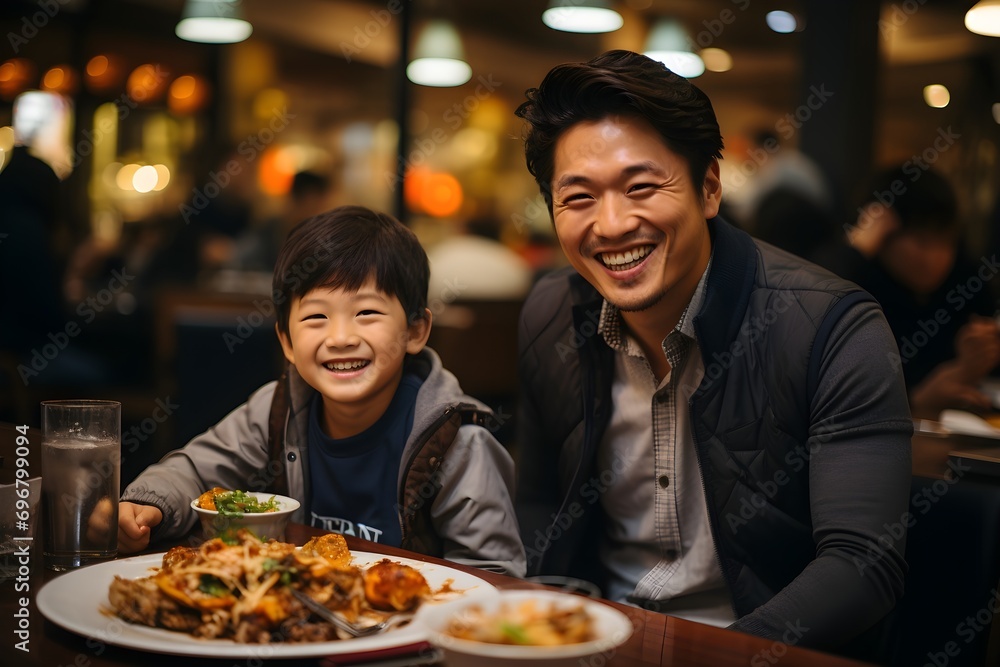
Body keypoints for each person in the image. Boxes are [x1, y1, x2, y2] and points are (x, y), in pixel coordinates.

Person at [513, 50, 911, 652]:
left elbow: (863, 563)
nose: (613, 224)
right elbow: (540, 500)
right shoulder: (550, 317)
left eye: (641, 187)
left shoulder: (831, 327)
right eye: (579, 198)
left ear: (708, 187)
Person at [118, 206, 526, 576]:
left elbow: (493, 575)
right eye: (316, 316)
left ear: (415, 331)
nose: (341, 337)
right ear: (288, 342)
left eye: (367, 312)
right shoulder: (277, 409)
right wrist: (149, 503)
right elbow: (195, 469)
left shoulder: (457, 442)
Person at [812, 165, 1000, 416]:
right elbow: (808, 310)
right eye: (922, 241)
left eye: (946, 241)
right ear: (882, 233)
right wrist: (857, 249)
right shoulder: (856, 280)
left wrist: (981, 356)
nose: (936, 256)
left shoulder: (966, 281)